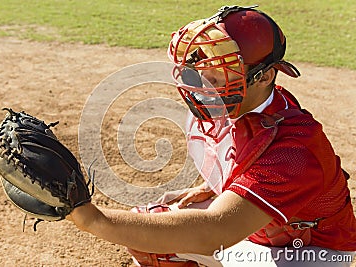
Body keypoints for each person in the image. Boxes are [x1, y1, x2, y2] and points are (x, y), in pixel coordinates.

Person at [67, 5, 356, 266]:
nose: (201, 84)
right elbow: (245, 147)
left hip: (314, 254)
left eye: (218, 75)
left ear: (264, 77)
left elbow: (213, 231)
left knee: (175, 234)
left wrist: (93, 219)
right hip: (265, 234)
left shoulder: (293, 152)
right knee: (154, 233)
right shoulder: (238, 106)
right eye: (199, 70)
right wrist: (221, 185)